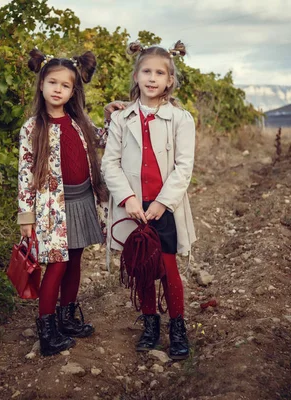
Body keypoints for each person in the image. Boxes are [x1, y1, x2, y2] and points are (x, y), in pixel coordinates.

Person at [101, 40, 197, 360]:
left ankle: (178, 326)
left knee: (168, 268)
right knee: (142, 266)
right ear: (136, 75)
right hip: (134, 208)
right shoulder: (121, 119)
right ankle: (151, 324)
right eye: (146, 71)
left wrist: (162, 202)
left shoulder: (181, 119)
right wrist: (128, 199)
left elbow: (184, 167)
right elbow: (109, 164)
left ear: (170, 80)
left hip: (162, 207)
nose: (152, 78)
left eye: (159, 72)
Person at [18, 48, 113, 356]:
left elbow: (103, 139)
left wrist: (113, 117)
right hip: (51, 210)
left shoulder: (78, 121)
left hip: (82, 199)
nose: (58, 89)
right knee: (56, 266)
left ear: (73, 91)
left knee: (74, 262)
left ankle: (66, 318)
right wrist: (26, 217)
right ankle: (47, 331)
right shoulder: (33, 127)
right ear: (42, 85)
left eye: (65, 85)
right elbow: (25, 175)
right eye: (52, 82)